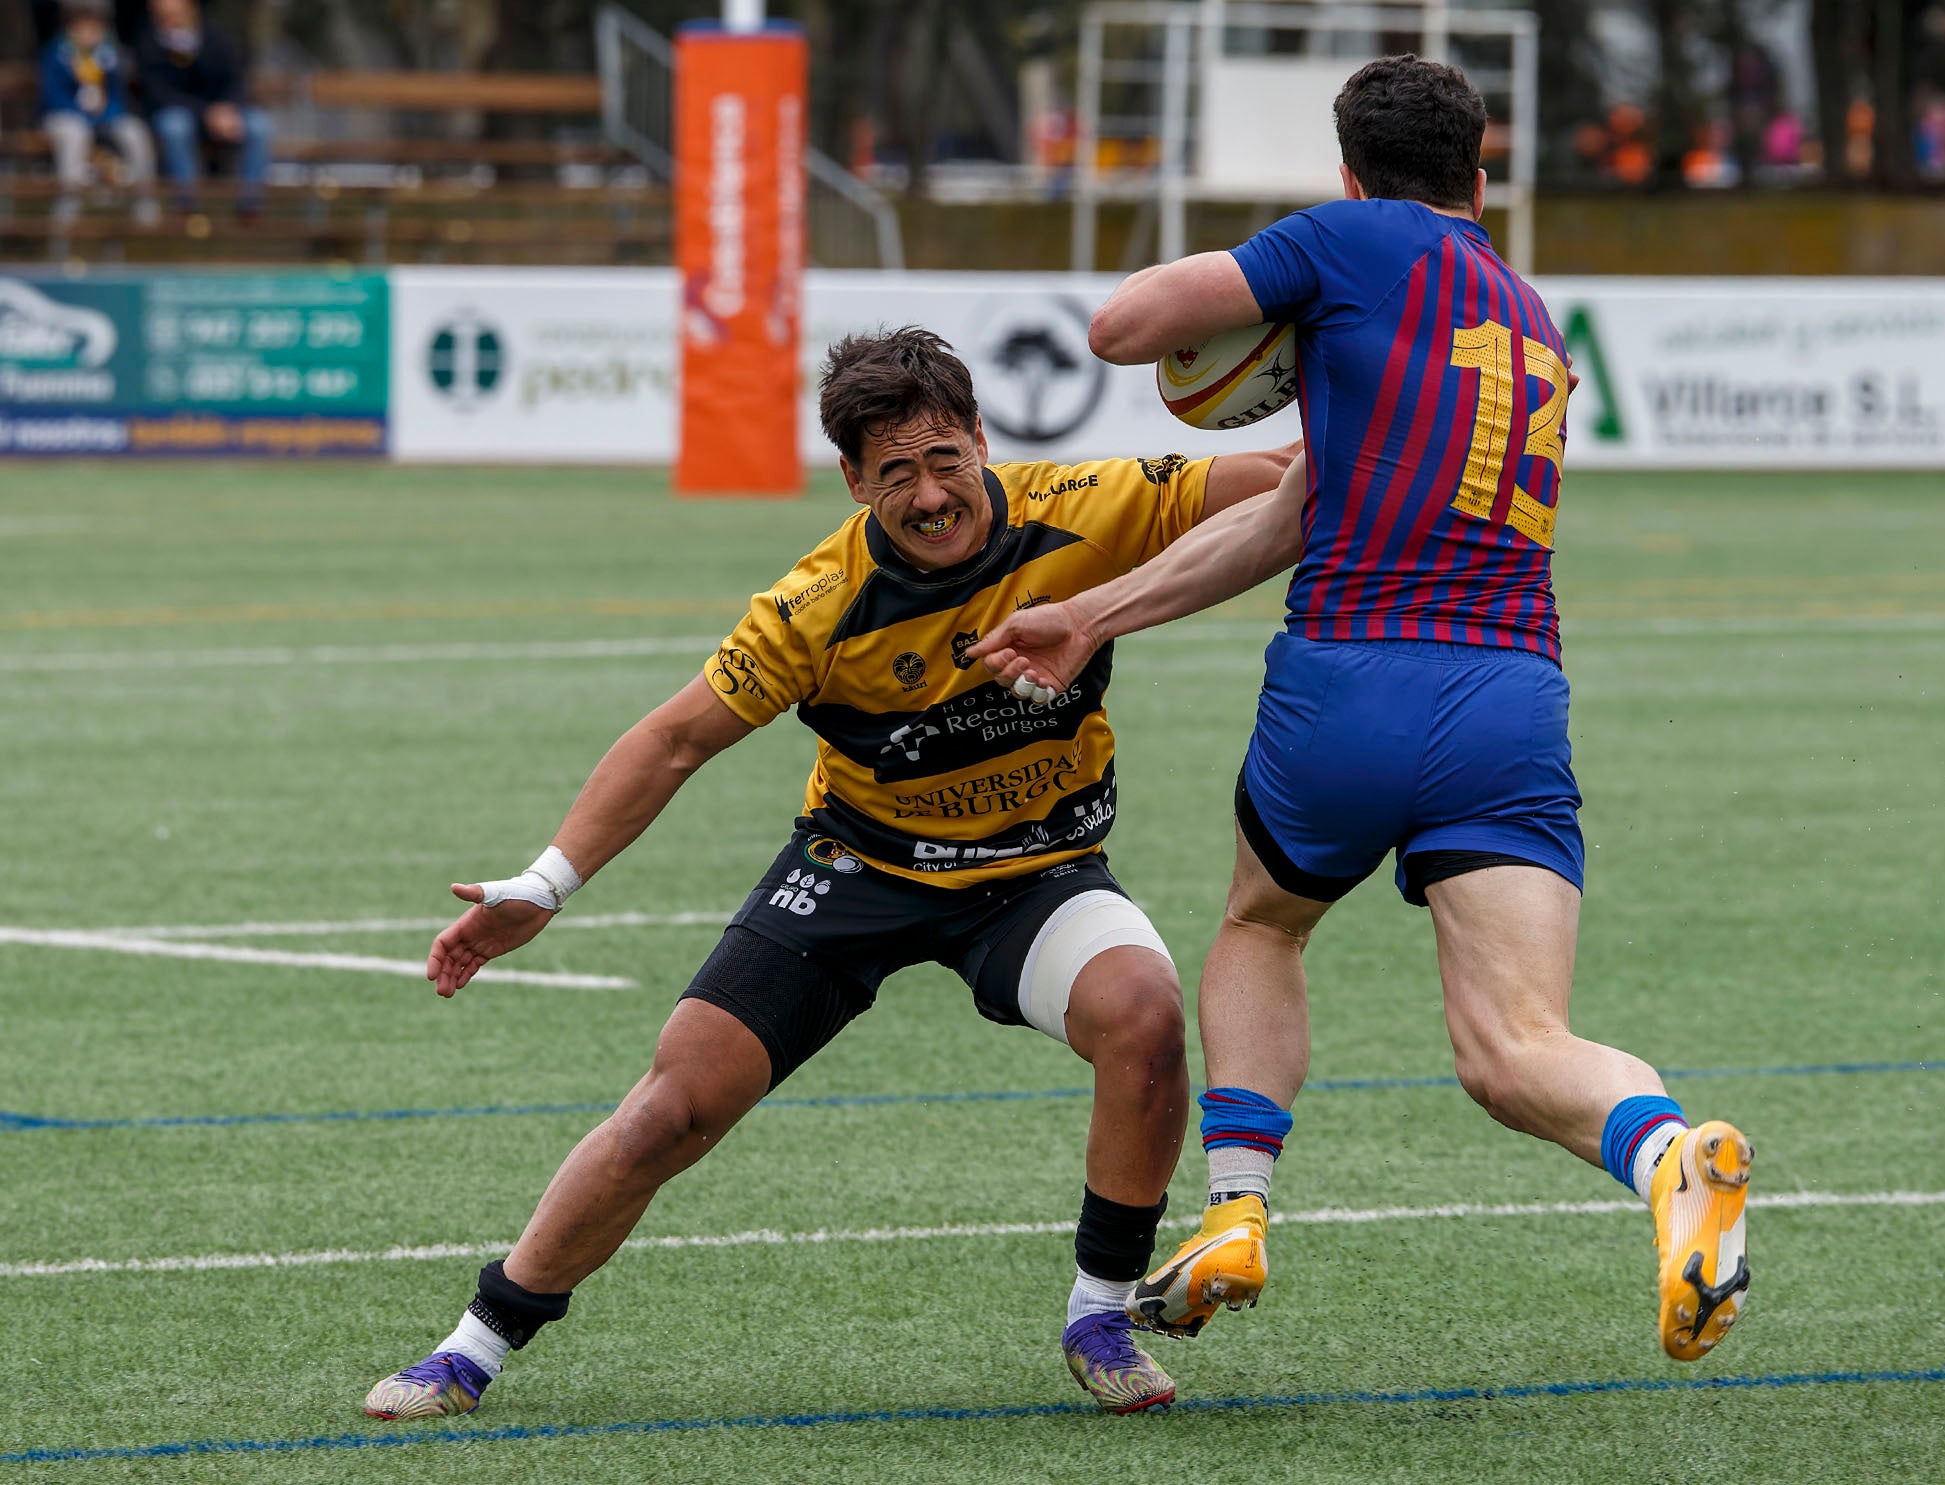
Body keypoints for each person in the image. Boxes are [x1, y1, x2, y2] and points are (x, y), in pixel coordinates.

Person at [363, 327, 1301, 1421]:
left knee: (1143, 1016)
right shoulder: (815, 603)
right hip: (856, 869)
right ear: (854, 482)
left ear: (984, 442)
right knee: (674, 1107)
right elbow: (674, 740)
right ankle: (474, 1345)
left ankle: (1098, 1317)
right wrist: (545, 883)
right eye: (895, 473)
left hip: (1034, 874)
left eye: (946, 457)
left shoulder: (1089, 503)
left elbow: (1289, 480)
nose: (930, 493)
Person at [974, 55, 1755, 1365]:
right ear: (1482, 173)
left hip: (1351, 674)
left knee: (1262, 924)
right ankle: (1671, 1150)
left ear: (1346, 171)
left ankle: (1235, 1205)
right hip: (1511, 697)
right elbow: (1287, 513)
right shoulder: (1529, 320)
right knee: (1516, 1045)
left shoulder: (1340, 240)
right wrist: (1096, 612)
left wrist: (1260, 290)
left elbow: (1121, 326)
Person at [136, 0, 269, 216]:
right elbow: (158, 94)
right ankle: (187, 204)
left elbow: (237, 81)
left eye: (174, 14)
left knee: (259, 126)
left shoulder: (218, 38)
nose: (170, 21)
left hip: (224, 113)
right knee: (174, 127)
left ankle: (250, 205)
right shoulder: (149, 44)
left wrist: (229, 108)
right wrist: (207, 113)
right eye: (163, 16)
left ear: (190, 10)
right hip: (182, 113)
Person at [38, 0, 157, 226]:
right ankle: (68, 210)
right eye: (83, 28)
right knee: (75, 134)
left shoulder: (110, 57)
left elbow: (117, 98)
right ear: (71, 29)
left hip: (104, 118)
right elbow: (52, 98)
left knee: (135, 132)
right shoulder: (55, 55)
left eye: (94, 29)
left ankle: (145, 204)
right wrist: (84, 112)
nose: (89, 34)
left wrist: (104, 112)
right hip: (63, 117)